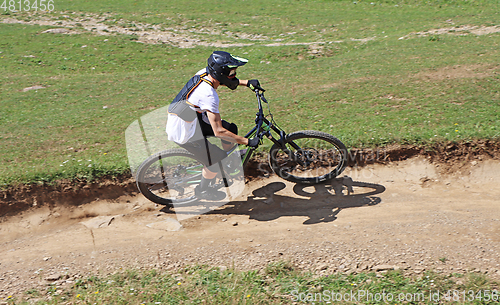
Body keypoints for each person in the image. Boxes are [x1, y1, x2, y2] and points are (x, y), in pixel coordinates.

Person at [166, 51, 263, 200]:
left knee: (231, 130)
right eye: (231, 71)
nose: (234, 74)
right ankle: (202, 190)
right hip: (184, 131)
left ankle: (229, 164)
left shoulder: (206, 73)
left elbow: (224, 80)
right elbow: (218, 132)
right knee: (215, 160)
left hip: (191, 117)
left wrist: (246, 82)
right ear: (221, 72)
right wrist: (248, 142)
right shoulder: (209, 95)